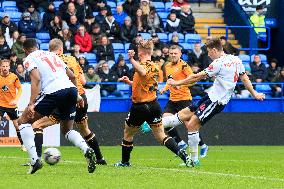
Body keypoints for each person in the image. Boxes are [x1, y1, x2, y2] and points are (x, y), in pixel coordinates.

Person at [162, 37, 265, 167]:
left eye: (209, 52)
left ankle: (194, 160)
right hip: (210, 97)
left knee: (192, 124)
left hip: (216, 101)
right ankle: (153, 124)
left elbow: (196, 76)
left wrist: (177, 82)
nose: (209, 54)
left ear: (215, 50)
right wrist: (254, 93)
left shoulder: (218, 63)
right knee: (183, 115)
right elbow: (244, 78)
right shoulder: (236, 59)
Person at [17, 38, 96, 174]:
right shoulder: (52, 55)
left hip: (53, 92)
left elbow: (36, 79)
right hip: (71, 90)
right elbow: (72, 75)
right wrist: (76, 95)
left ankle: (35, 160)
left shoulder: (29, 58)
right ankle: (86, 149)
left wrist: (31, 103)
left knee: (23, 121)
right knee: (67, 130)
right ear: (38, 46)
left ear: (25, 50)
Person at [114, 39, 191, 167]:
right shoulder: (156, 66)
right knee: (161, 135)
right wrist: (130, 83)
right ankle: (184, 155)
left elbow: (143, 72)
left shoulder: (142, 65)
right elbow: (146, 83)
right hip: (154, 105)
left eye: (138, 51)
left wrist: (131, 59)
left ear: (140, 52)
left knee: (128, 133)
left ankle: (125, 162)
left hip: (140, 106)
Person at [30, 38, 107, 165]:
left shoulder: (48, 60)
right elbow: (83, 81)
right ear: (61, 49)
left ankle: (35, 159)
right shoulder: (72, 59)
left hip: (63, 97)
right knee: (85, 130)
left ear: (50, 50)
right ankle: (100, 158)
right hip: (81, 96)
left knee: (38, 125)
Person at [159, 45, 209, 158]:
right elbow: (170, 81)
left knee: (190, 125)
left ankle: (203, 145)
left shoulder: (184, 66)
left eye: (175, 53)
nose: (173, 55)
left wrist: (180, 84)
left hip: (184, 99)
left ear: (180, 54)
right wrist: (164, 88)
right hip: (172, 100)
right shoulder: (167, 66)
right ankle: (181, 143)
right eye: (171, 54)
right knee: (165, 122)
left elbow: (193, 81)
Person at [0, 59, 25, 151]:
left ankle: (23, 145)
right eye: (3, 66)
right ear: (0, 67)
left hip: (12, 105)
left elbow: (20, 89)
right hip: (1, 105)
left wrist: (16, 99)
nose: (5, 68)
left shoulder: (14, 77)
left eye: (7, 66)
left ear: (9, 67)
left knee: (17, 125)